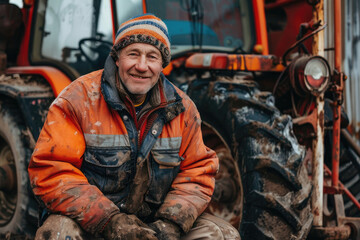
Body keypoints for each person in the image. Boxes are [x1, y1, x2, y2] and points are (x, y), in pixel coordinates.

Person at [28, 13, 240, 240]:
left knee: (222, 234)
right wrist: (108, 220)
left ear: (162, 65)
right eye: (133, 54)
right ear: (117, 58)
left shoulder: (183, 109)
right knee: (59, 232)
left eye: (152, 57)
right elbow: (52, 170)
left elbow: (197, 172)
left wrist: (171, 223)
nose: (141, 66)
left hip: (156, 222)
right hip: (92, 222)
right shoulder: (77, 100)